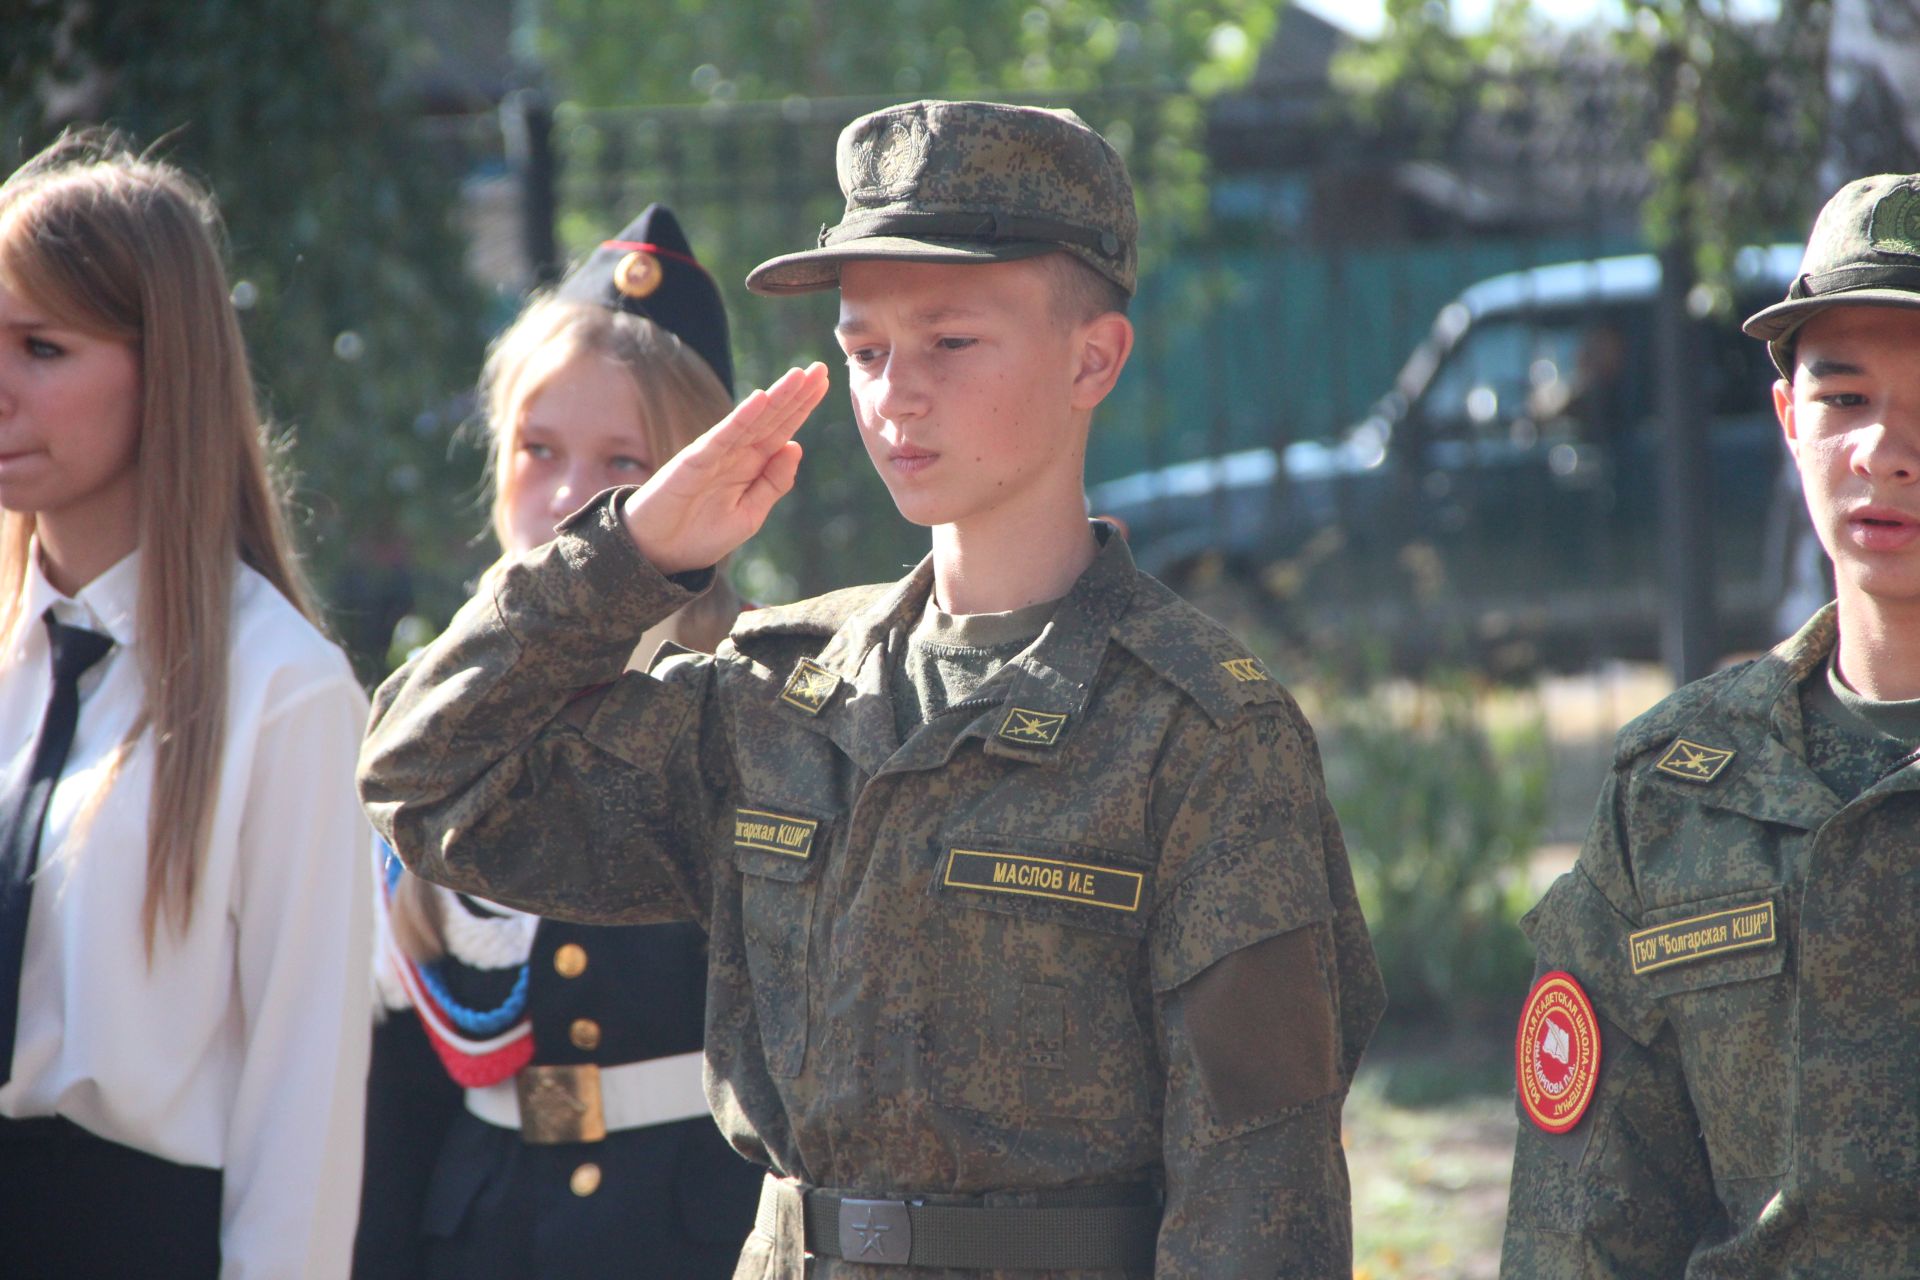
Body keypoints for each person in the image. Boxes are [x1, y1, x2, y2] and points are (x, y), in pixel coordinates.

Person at [362, 99, 1385, 1277]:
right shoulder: (777, 696)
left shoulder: (1200, 733)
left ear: (1093, 357)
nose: (896, 394)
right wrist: (628, 554)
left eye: (951, 343)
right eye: (863, 350)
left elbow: (1261, 1199)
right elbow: (422, 778)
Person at [1500, 173, 1920, 1274]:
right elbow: (1584, 1220)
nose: (1885, 448)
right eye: (1844, 398)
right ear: (1789, 421)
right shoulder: (1679, 791)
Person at [353, 204, 761, 1280]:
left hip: (692, 1229)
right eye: (537, 450)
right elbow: (390, 1084)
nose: (570, 497)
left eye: (624, 458)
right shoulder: (427, 711)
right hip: (477, 1227)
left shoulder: (746, 700)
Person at [0, 131, 370, 1277]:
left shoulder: (284, 689)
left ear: (166, 365)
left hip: (130, 1232)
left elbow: (303, 1110)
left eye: (41, 346)